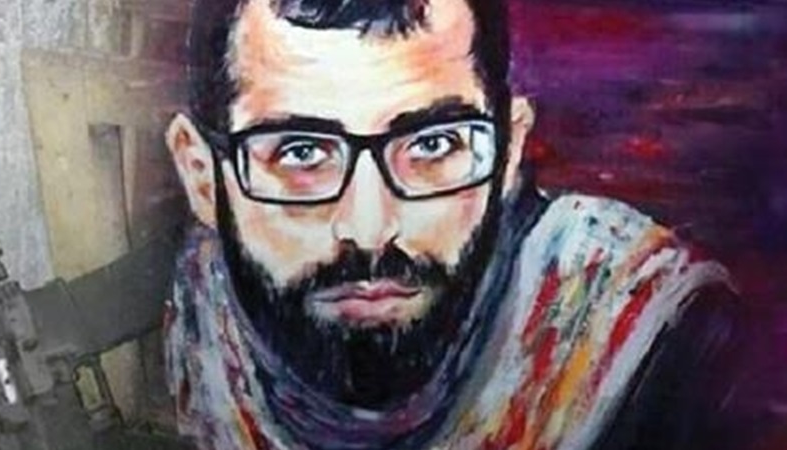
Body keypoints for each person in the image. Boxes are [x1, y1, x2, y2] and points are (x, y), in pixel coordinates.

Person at [162, 0, 748, 448]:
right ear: (202, 177)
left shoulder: (655, 333)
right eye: (300, 153)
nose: (370, 230)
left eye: (433, 144)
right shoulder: (191, 313)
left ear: (509, 151)